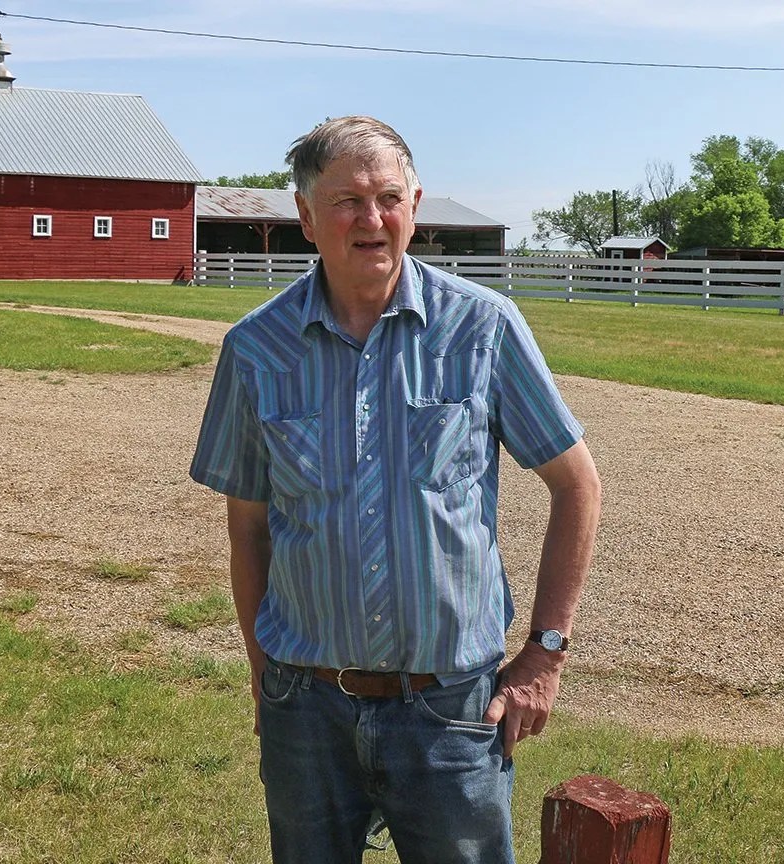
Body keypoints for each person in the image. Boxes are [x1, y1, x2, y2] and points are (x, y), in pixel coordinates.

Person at [189, 115, 601, 864]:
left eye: (388, 197)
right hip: (305, 707)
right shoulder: (257, 348)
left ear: (416, 203)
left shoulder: (481, 329)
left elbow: (578, 487)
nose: (370, 219)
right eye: (345, 200)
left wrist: (544, 654)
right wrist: (263, 673)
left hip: (449, 709)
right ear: (307, 216)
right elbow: (246, 526)